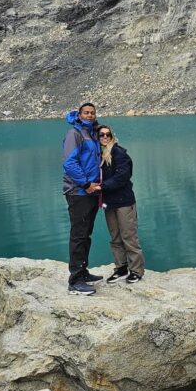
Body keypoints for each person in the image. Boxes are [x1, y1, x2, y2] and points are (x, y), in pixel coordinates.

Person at [62, 103, 104, 295]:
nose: (90, 115)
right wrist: (86, 184)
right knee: (79, 235)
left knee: (86, 234)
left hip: (91, 192)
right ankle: (75, 281)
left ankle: (83, 271)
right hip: (78, 192)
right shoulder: (75, 134)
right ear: (79, 115)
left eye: (92, 113)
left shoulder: (93, 133)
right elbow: (69, 163)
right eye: (86, 112)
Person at [97, 125, 145, 285]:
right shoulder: (100, 155)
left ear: (112, 136)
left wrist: (101, 187)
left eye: (107, 134)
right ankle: (121, 268)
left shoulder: (119, 153)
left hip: (124, 202)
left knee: (129, 237)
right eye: (101, 135)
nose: (104, 137)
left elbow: (122, 177)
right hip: (109, 203)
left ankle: (136, 271)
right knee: (115, 237)